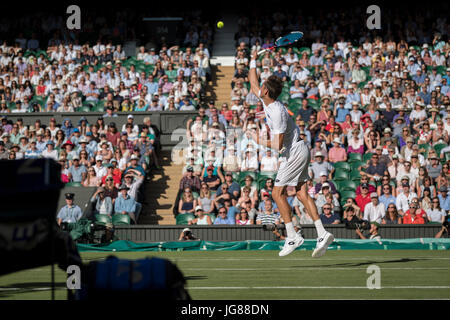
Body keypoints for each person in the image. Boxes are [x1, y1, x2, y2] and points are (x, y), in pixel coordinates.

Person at [249, 50, 334, 257]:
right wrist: (253, 58)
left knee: (277, 193)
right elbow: (252, 81)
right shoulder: (266, 100)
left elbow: (278, 146)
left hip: (293, 152)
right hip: (300, 149)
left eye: (262, 86)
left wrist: (257, 139)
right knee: (302, 193)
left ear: (266, 92)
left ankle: (292, 235)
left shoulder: (277, 113)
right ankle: (322, 233)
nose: (258, 87)